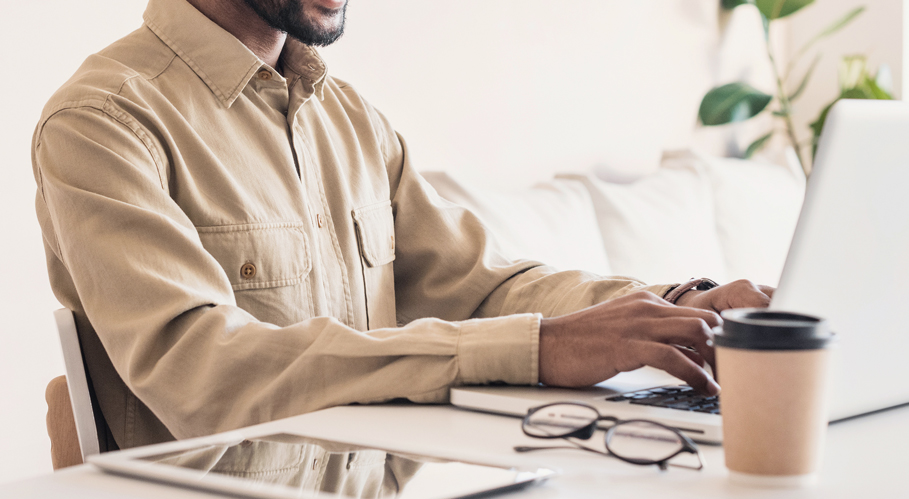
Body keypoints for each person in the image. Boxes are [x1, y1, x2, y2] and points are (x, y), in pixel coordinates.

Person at [32, 0, 773, 450]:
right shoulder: (102, 123)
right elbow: (206, 372)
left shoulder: (350, 118)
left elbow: (479, 288)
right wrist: (538, 349)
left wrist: (668, 308)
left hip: (390, 497)